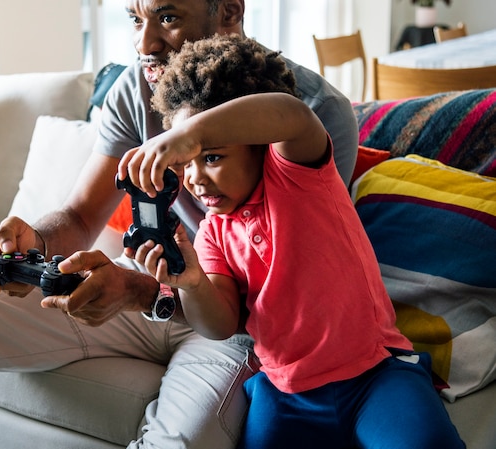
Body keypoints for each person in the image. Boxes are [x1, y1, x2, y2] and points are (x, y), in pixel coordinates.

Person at [0, 1, 359, 448]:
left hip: (234, 323)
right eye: (134, 19)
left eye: (168, 17)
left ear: (229, 11)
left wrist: (141, 292)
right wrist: (32, 241)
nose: (144, 44)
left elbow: (276, 294)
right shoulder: (138, 85)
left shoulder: (314, 112)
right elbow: (82, 216)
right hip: (146, 278)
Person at [118, 33, 466, 449]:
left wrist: (189, 133)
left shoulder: (299, 176)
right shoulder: (212, 233)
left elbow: (291, 114)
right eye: (185, 163)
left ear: (261, 147)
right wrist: (192, 283)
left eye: (211, 156)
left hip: (376, 374)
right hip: (287, 393)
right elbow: (220, 323)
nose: (194, 177)